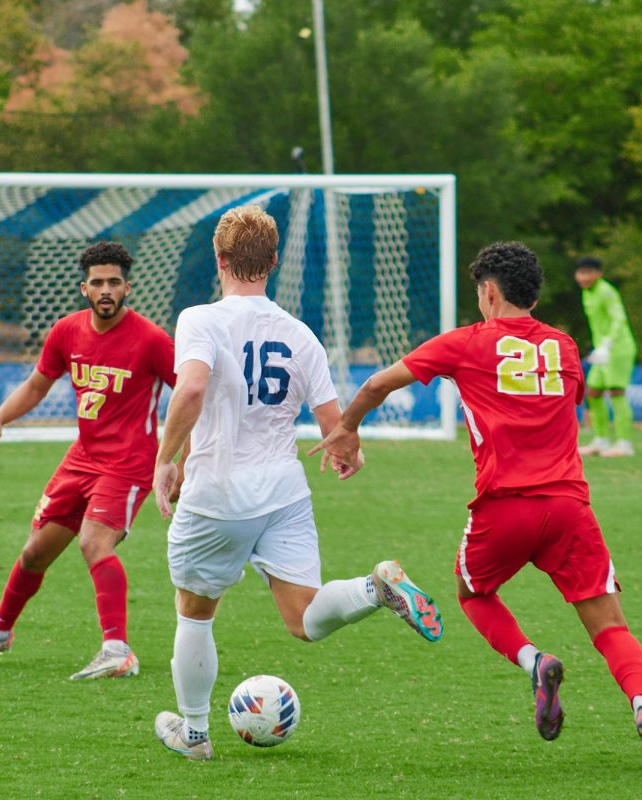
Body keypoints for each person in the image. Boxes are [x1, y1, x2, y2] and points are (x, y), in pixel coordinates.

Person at [312, 242, 642, 772]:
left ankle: (536, 663)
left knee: (473, 592)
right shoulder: (565, 346)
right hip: (570, 506)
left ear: (489, 292)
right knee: (610, 626)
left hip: (504, 506)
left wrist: (346, 428)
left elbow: (376, 384)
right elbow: (565, 403)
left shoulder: (467, 342)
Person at [150, 205, 442, 761]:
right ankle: (372, 588)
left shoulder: (200, 319)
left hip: (219, 495)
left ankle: (192, 735)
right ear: (274, 261)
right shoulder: (300, 334)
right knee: (304, 618)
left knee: (194, 610)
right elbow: (336, 427)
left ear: (220, 259)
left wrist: (166, 459)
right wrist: (346, 451)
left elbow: (189, 392)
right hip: (284, 492)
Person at [0, 241, 176, 681]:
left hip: (128, 464)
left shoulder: (151, 339)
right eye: (97, 283)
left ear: (128, 287)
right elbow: (37, 385)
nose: (106, 290)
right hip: (81, 459)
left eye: (114, 282)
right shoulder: (66, 331)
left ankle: (117, 649)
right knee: (34, 554)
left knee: (95, 543)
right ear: (84, 288)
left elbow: (190, 394)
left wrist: (180, 458)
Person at [574, 256, 637, 457]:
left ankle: (624, 444)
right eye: (580, 273)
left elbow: (619, 318)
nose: (583, 277)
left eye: (588, 272)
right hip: (602, 350)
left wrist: (608, 345)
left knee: (617, 392)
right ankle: (600, 440)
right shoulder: (587, 293)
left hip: (618, 349)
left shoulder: (606, 291)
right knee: (593, 392)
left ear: (598, 274)